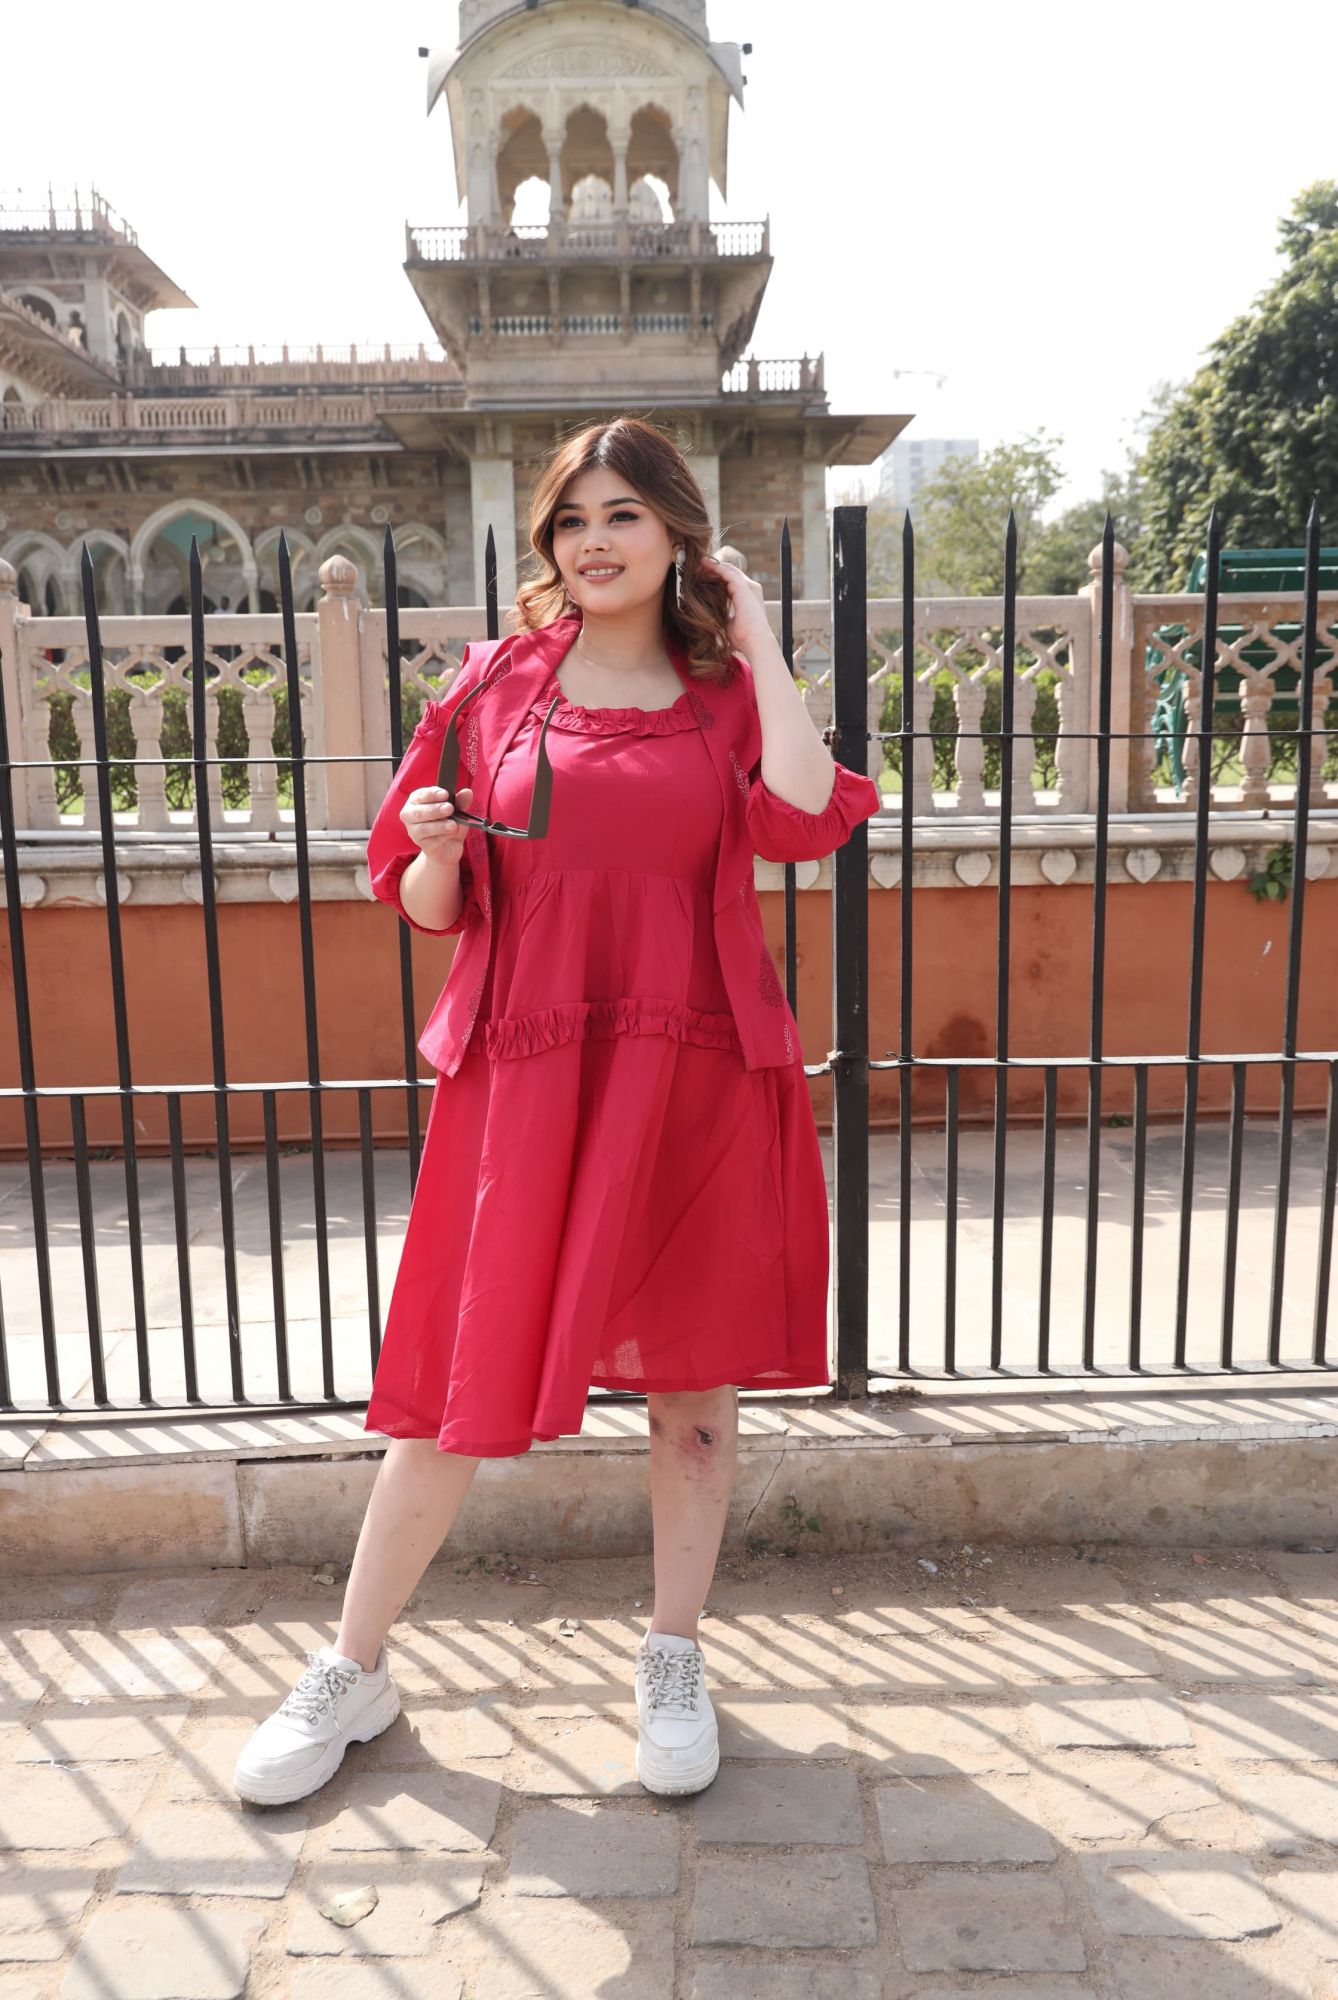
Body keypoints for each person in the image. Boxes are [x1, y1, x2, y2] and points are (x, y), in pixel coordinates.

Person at [232, 416, 881, 1809]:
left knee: (689, 1396)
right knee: (452, 1396)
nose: (592, 540)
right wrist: (434, 856)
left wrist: (756, 629)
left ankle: (671, 1654)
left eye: (624, 516)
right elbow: (425, 904)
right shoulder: (490, 688)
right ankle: (353, 1669)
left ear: (675, 538)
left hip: (693, 1069)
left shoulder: (721, 699)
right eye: (571, 518)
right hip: (526, 1076)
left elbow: (810, 809)